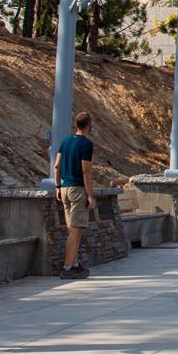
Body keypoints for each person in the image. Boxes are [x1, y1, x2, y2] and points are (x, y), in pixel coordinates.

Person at [52, 111, 97, 279]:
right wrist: (90, 195)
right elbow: (86, 171)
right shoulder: (86, 144)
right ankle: (67, 267)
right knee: (75, 230)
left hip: (64, 189)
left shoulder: (65, 141)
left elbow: (57, 166)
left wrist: (57, 186)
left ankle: (75, 264)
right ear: (88, 125)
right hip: (78, 189)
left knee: (73, 228)